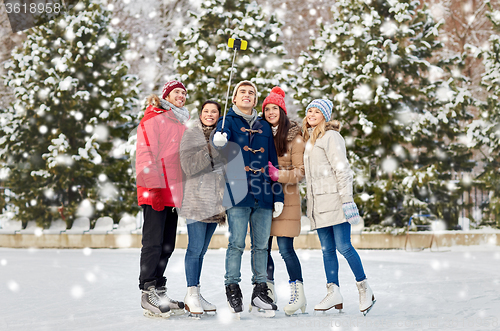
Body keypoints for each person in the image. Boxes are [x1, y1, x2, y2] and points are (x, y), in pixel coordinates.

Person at [212, 80, 285, 316]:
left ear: (255, 100)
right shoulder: (227, 122)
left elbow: (272, 162)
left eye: (251, 93)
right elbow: (219, 148)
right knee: (236, 244)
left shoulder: (264, 126)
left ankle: (260, 290)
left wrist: (278, 195)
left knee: (262, 246)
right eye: (242, 92)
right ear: (234, 98)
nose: (247, 95)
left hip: (263, 192)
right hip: (237, 192)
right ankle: (232, 287)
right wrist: (218, 141)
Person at [302, 99, 375, 315]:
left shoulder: (331, 136)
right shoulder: (310, 140)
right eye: (309, 111)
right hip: (319, 204)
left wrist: (347, 200)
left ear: (325, 115)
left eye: (317, 111)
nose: (312, 114)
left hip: (335, 201)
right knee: (327, 250)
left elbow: (342, 169)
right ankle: (333, 291)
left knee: (344, 247)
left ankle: (364, 288)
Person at [135, 80, 190, 318]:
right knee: (153, 242)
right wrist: (154, 188)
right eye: (177, 92)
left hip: (172, 193)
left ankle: (159, 287)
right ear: (167, 95)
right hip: (155, 190)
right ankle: (147, 291)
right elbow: (146, 153)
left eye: (184, 93)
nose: (181, 96)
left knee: (168, 244)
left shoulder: (181, 123)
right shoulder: (154, 117)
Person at [262, 87, 307, 316]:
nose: (270, 112)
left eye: (274, 108)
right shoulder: (261, 134)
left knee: (286, 249)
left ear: (282, 110)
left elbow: (300, 172)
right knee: (264, 248)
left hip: (287, 202)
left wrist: (278, 174)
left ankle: (298, 293)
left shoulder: (294, 138)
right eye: (267, 108)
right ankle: (267, 291)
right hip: (264, 199)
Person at [179, 100, 226, 316]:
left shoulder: (223, 134)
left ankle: (196, 292)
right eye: (206, 111)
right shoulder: (191, 135)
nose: (210, 114)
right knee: (195, 249)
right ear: (200, 114)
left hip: (216, 202)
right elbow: (188, 167)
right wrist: (210, 148)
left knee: (202, 251)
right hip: (197, 199)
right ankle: (191, 293)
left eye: (214, 112)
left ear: (219, 115)